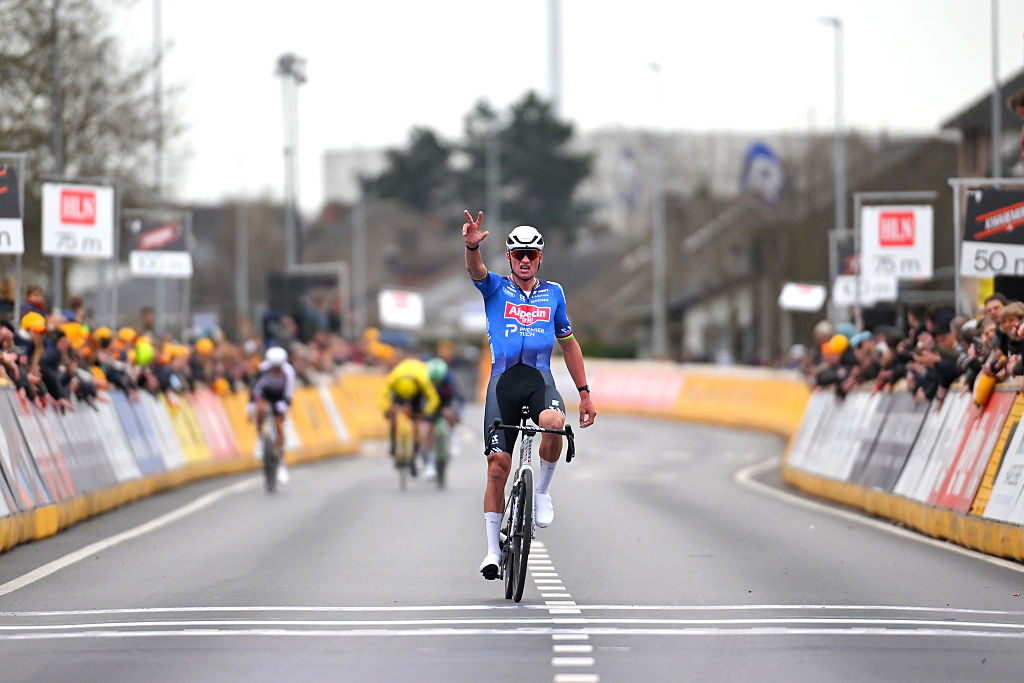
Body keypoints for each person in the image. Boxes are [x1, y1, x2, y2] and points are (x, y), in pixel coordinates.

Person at [462, 209, 597, 580]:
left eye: (531, 254)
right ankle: (492, 551)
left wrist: (584, 393)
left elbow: (569, 346)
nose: (524, 260)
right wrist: (472, 247)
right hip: (503, 383)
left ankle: (542, 492)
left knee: (554, 424)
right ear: (508, 258)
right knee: (497, 469)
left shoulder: (554, 294)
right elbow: (475, 271)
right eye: (518, 254)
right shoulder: (495, 288)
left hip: (538, 380)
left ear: (540, 259)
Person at [379, 355, 441, 475]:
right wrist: (387, 410)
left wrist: (426, 412)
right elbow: (383, 396)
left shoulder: (422, 378)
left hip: (416, 394)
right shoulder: (394, 377)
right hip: (400, 392)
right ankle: (394, 443)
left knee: (417, 423)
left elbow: (433, 398)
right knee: (394, 414)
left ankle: (414, 453)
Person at [248, 345, 296, 483]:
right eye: (273, 366)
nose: (276, 370)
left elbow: (288, 394)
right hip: (265, 394)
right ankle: (260, 438)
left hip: (279, 397)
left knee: (278, 425)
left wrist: (283, 407)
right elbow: (254, 389)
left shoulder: (288, 372)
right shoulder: (262, 369)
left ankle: (281, 462)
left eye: (278, 367)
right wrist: (251, 405)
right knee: (260, 410)